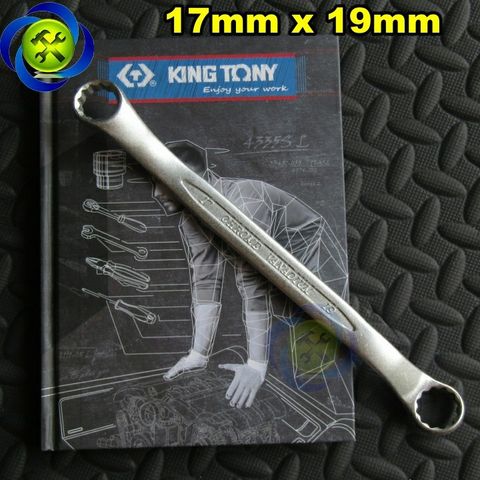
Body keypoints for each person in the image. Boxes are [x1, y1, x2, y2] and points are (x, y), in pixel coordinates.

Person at [153, 140, 348, 409]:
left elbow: (253, 285)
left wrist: (255, 366)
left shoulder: (245, 202)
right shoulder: (190, 220)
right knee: (290, 355)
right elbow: (205, 282)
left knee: (319, 357)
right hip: (280, 272)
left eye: (160, 180)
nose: (155, 192)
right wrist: (198, 354)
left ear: (191, 178)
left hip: (314, 255)